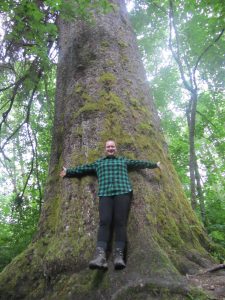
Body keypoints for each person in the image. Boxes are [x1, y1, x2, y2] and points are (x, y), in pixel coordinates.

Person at [60, 139, 161, 270]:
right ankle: (100, 256)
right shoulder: (98, 163)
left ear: (116, 148)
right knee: (104, 222)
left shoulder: (123, 161)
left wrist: (155, 164)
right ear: (105, 149)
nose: (110, 148)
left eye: (112, 146)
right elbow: (83, 169)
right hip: (105, 194)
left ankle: (119, 256)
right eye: (108, 147)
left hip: (123, 192)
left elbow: (139, 163)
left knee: (120, 222)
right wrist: (68, 172)